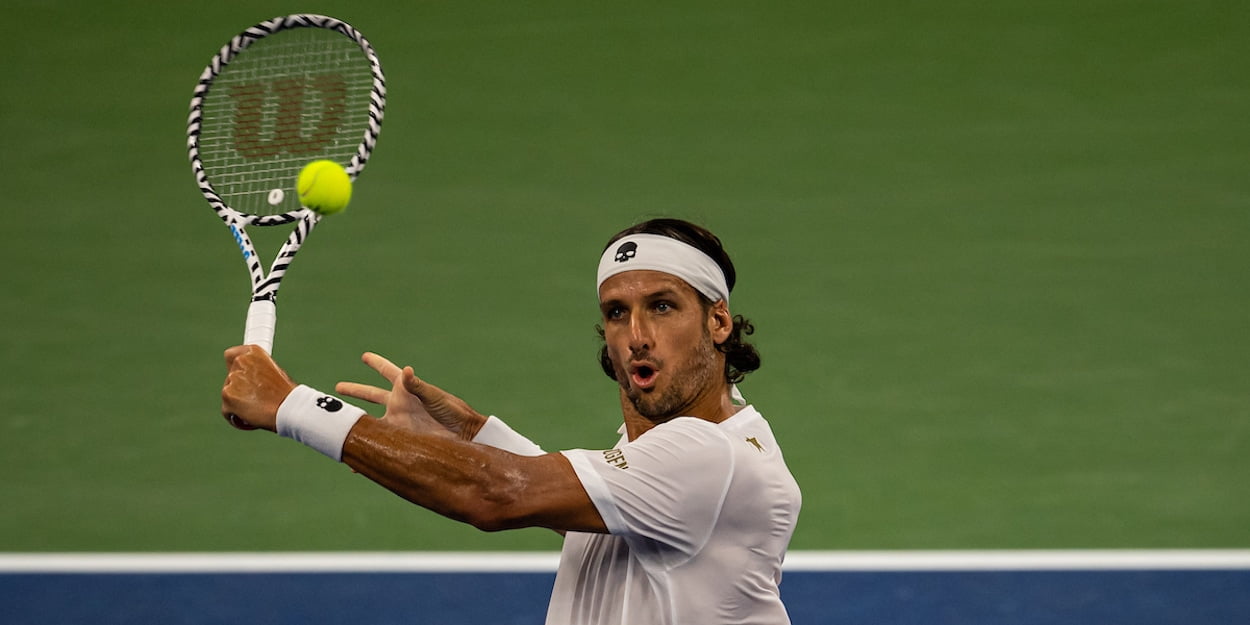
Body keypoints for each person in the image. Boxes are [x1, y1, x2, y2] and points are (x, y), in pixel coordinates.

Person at [221, 217, 802, 624]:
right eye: (617, 313)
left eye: (663, 306)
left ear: (719, 321)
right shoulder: (717, 440)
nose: (637, 337)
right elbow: (592, 515)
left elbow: (495, 494)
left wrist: (291, 405)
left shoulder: (706, 457)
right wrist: (471, 435)